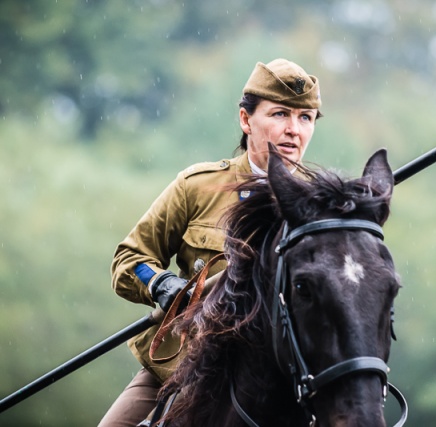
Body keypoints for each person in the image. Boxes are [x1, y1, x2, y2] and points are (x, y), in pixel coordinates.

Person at [98, 58, 322, 427]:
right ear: (246, 120)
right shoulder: (197, 187)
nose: (294, 130)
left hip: (288, 378)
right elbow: (130, 259)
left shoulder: (321, 208)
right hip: (187, 368)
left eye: (306, 117)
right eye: (280, 114)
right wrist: (161, 284)